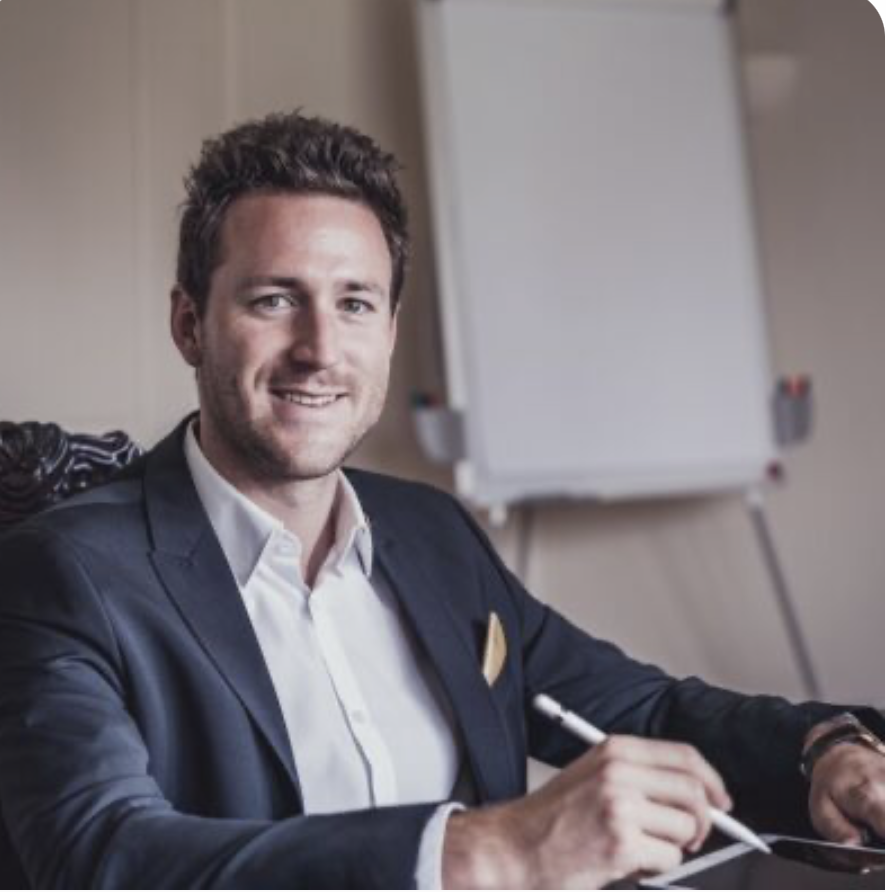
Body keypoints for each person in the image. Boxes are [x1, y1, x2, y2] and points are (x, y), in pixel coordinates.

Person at [0, 111, 882, 890]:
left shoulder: (430, 532)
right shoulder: (64, 571)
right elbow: (102, 857)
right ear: (189, 322)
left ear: (387, 331)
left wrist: (821, 753)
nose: (319, 348)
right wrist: (492, 855)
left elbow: (643, 710)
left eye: (354, 303)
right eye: (275, 300)